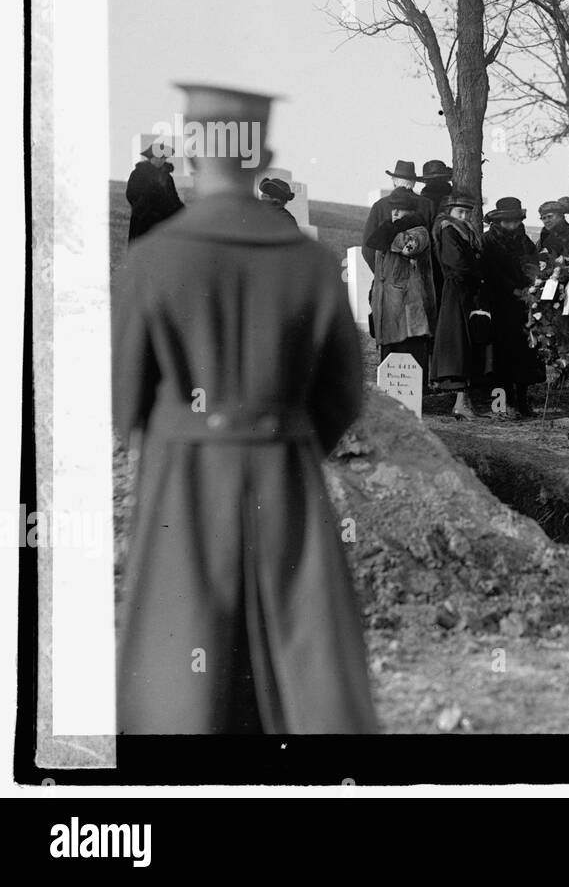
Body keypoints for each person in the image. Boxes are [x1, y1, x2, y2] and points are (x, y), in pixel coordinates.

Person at [111, 85, 375, 734]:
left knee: (180, 653)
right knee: (302, 649)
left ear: (194, 155)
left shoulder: (153, 258)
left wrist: (179, 428)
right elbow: (343, 395)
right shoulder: (312, 264)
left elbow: (124, 401)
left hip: (184, 479)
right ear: (263, 159)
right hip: (283, 471)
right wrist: (287, 436)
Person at [364, 186, 436, 387]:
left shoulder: (419, 231)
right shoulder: (390, 227)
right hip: (388, 306)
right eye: (393, 208)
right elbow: (374, 243)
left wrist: (389, 232)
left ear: (411, 211)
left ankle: (415, 397)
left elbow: (408, 248)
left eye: (400, 209)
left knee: (410, 354)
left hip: (409, 308)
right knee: (390, 356)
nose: (394, 213)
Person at [481, 196, 543, 418]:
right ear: (498, 221)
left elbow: (533, 263)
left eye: (516, 220)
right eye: (508, 221)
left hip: (523, 304)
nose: (512, 225)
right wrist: (513, 290)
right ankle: (501, 404)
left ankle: (522, 401)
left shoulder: (524, 240)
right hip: (499, 304)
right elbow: (491, 271)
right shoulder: (488, 240)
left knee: (525, 355)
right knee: (500, 356)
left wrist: (531, 286)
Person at [431, 192, 484, 417]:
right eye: (459, 212)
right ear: (449, 212)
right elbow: (457, 262)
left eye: (466, 213)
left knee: (466, 345)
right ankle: (460, 404)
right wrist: (477, 273)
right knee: (458, 346)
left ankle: (464, 401)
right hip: (457, 291)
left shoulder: (464, 232)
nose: (463, 216)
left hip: (466, 291)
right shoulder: (448, 230)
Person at [125, 141, 185, 242]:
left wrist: (184, 212)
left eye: (164, 157)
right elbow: (131, 195)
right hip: (142, 222)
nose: (162, 160)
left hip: (163, 225)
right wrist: (146, 208)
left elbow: (174, 199)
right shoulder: (138, 174)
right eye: (159, 157)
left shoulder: (167, 177)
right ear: (151, 157)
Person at [537, 196, 569, 266]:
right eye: (544, 218)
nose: (547, 221)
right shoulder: (543, 236)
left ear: (560, 216)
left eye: (550, 216)